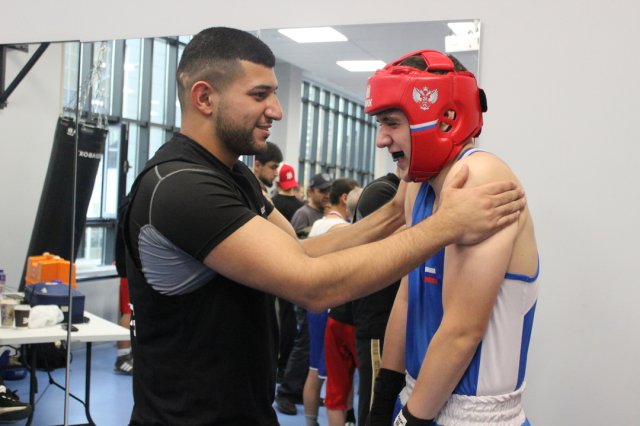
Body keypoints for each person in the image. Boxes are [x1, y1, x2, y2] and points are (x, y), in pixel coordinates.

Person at [122, 27, 525, 425]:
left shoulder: (235, 175)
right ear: (205, 98)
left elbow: (300, 250)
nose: (277, 110)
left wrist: (394, 213)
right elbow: (312, 285)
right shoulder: (180, 188)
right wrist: (446, 225)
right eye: (260, 95)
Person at [364, 50, 539, 426]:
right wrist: (385, 398)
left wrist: (411, 420)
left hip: (474, 417)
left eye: (392, 123)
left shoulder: (481, 177)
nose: (381, 140)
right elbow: (407, 296)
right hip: (416, 398)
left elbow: (462, 331)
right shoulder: (417, 188)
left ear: (444, 118)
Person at [302, 178, 359, 426]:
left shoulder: (318, 224)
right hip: (332, 308)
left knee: (315, 370)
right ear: (346, 198)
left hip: (314, 305)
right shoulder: (343, 228)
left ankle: (311, 422)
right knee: (338, 375)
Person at [275, 171, 332, 415]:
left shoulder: (323, 215)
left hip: (317, 285)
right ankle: (287, 392)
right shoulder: (303, 214)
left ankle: (297, 389)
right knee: (304, 341)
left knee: (309, 342)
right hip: (301, 285)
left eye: (328, 190)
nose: (326, 195)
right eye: (322, 190)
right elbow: (293, 249)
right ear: (310, 191)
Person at [350, 172, 402, 426]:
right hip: (376, 320)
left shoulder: (386, 190)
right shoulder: (382, 192)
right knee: (374, 406)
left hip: (387, 318)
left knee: (383, 403)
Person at [271, 163, 304, 382]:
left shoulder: (271, 204)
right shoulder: (301, 207)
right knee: (292, 319)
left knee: (279, 316)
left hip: (272, 265)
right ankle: (286, 366)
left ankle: (280, 364)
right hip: (295, 266)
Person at [113, 195, 133, 375]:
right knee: (129, 313)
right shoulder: (130, 206)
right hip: (128, 270)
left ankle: (129, 352)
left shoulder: (130, 203)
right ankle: (122, 357)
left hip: (129, 268)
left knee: (133, 313)